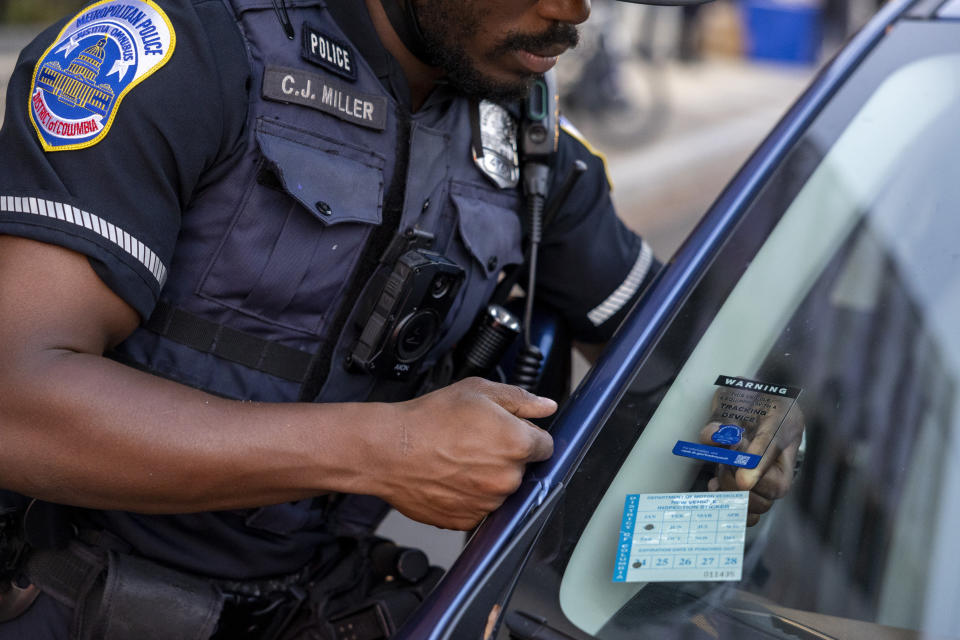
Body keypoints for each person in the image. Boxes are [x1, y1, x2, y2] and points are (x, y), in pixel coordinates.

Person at [0, 0, 794, 638]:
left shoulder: (535, 146)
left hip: (332, 603)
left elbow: (689, 353)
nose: (570, 12)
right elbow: (18, 405)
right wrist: (383, 450)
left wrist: (753, 418)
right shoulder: (181, 54)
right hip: (70, 594)